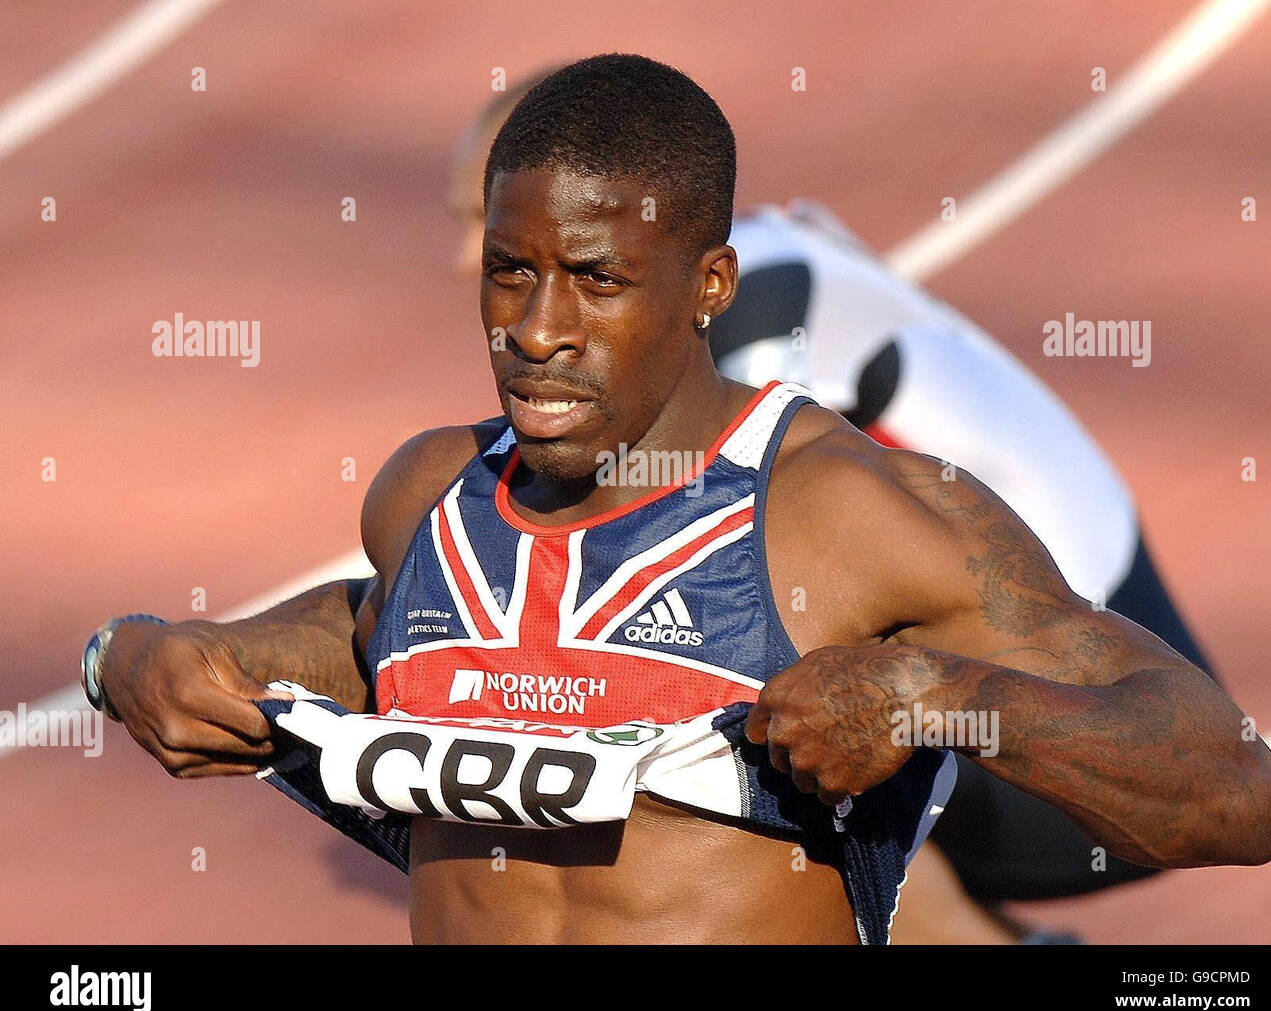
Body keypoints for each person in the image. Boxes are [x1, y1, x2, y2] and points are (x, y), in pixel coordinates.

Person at [86, 54, 1271, 945]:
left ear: (710, 282)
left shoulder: (855, 520)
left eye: (597, 282)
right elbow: (382, 626)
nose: (536, 332)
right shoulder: (427, 493)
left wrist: (937, 695)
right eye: (511, 272)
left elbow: (1236, 795)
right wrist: (150, 653)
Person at [443, 72, 1221, 943]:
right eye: (498, 243)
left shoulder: (753, 317)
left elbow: (737, 543)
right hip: (1053, 613)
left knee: (764, 714)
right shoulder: (756, 258)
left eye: (483, 225)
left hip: (1075, 675)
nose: (465, 258)